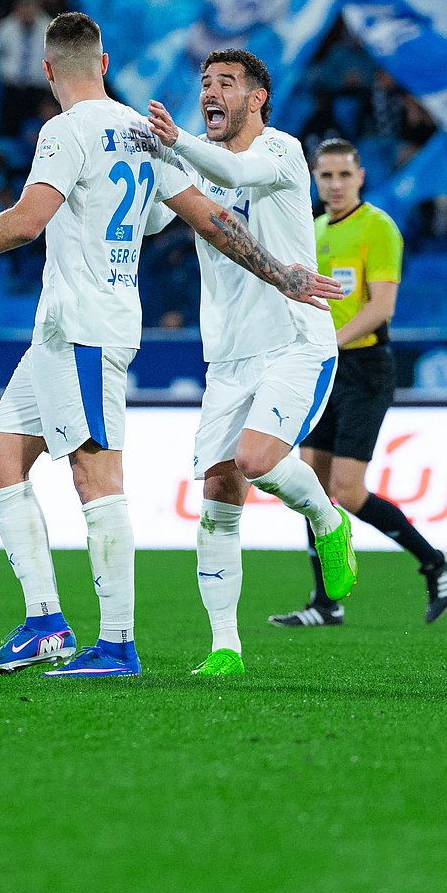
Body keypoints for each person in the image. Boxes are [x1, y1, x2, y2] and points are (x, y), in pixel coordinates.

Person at [0, 14, 343, 679]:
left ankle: (118, 644)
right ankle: (44, 623)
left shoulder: (65, 131)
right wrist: (281, 271)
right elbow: (210, 219)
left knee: (95, 476)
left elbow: (25, 223)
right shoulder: (137, 129)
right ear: (103, 62)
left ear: (47, 73)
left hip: (90, 326)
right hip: (59, 328)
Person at [145, 53, 358, 678]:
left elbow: (236, 169)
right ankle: (225, 647)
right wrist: (148, 164)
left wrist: (175, 141)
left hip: (294, 340)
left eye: (226, 85)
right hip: (228, 356)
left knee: (255, 460)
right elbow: (158, 213)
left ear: (258, 97)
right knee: (219, 493)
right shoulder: (196, 161)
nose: (211, 93)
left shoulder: (283, 151)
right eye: (205, 84)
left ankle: (327, 518)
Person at [270, 138, 447, 628]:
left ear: (360, 177)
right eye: (325, 176)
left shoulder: (378, 227)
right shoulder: (311, 230)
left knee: (347, 492)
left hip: (364, 367)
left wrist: (327, 342)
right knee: (311, 485)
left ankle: (435, 560)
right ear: (314, 178)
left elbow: (381, 309)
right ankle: (325, 601)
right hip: (324, 367)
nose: (333, 185)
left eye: (342, 175)